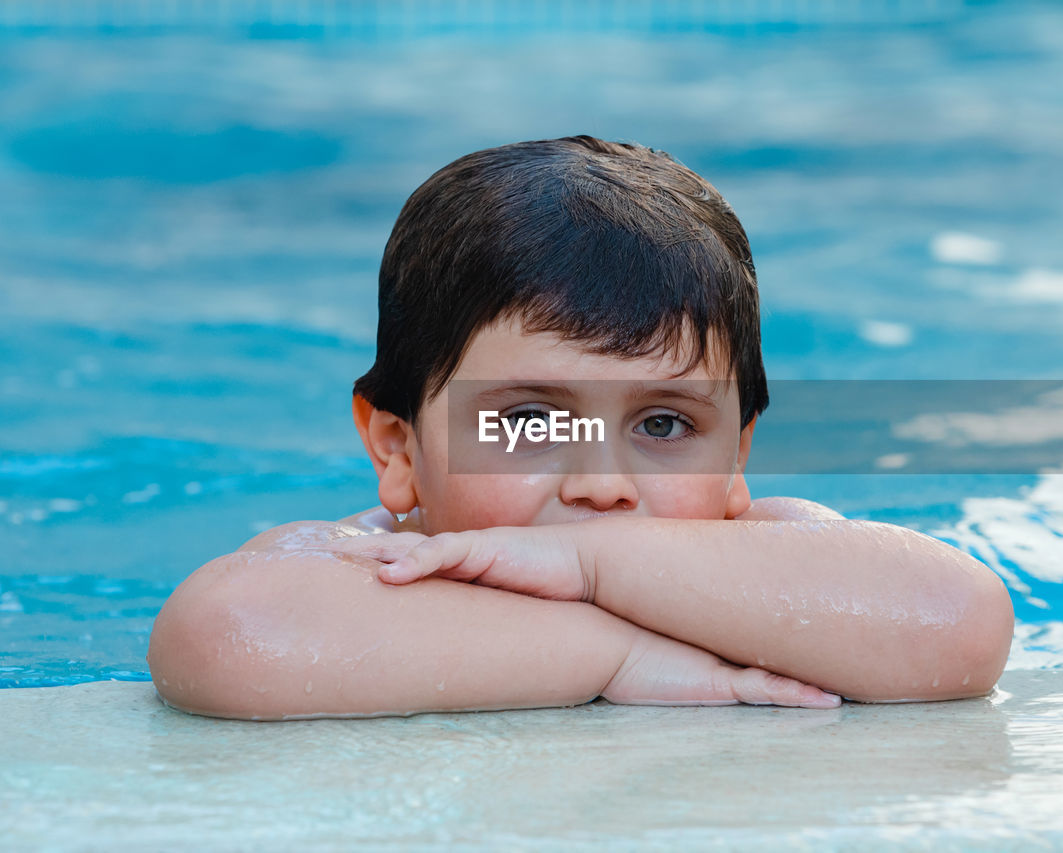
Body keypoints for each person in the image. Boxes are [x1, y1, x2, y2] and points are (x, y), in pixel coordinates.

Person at [146, 136, 1014, 720]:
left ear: (737, 456)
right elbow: (226, 635)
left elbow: (959, 623)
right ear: (399, 450)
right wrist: (618, 657)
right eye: (528, 417)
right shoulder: (376, 559)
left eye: (666, 422)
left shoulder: (759, 546)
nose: (603, 480)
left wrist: (589, 563)